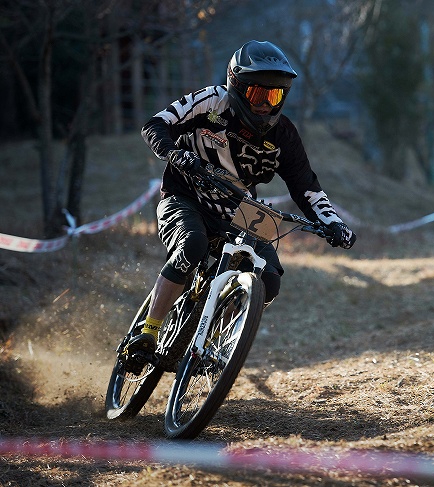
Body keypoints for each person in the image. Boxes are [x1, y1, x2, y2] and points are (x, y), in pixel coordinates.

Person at [125, 40, 357, 355]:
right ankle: (148, 333)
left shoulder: (284, 136)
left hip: (238, 209)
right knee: (191, 245)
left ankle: (213, 337)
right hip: (185, 195)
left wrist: (332, 223)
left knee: (269, 281)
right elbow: (155, 125)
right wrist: (174, 154)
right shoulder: (211, 102)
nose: (264, 104)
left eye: (274, 95)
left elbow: (307, 187)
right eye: (257, 94)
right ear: (237, 86)